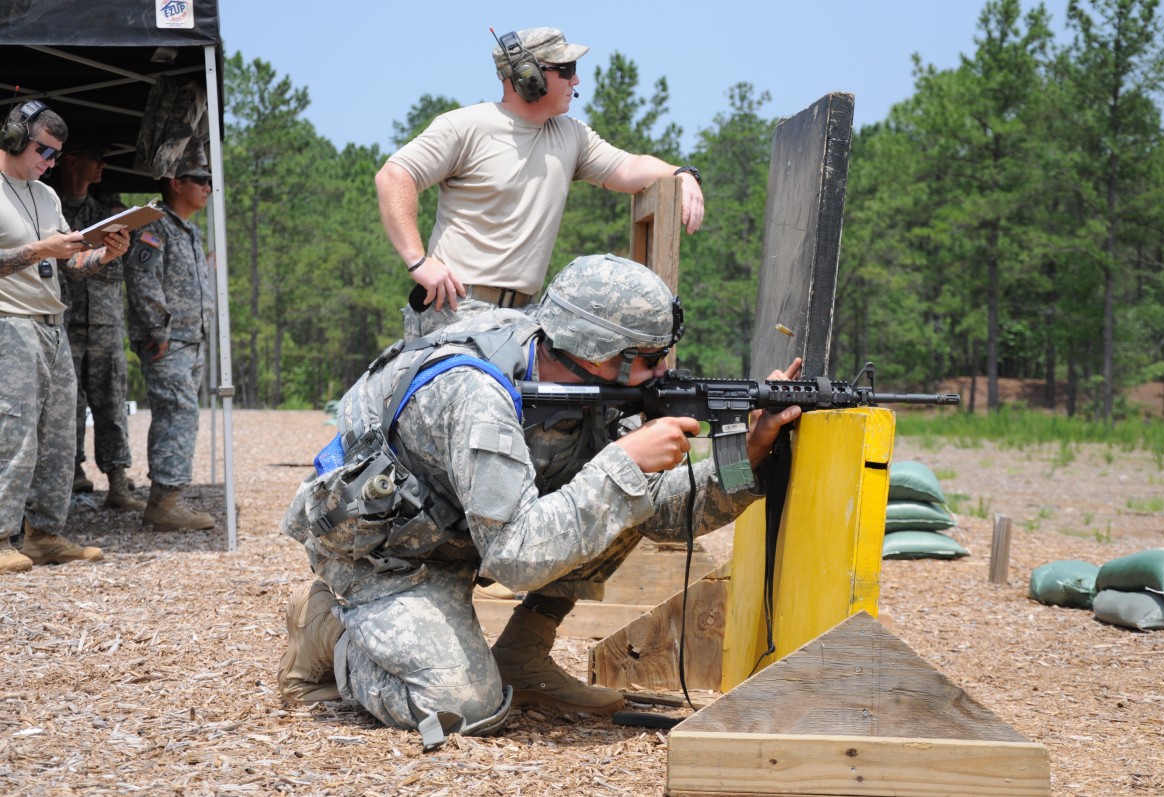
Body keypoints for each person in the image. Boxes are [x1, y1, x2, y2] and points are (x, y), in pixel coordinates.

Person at [276, 254, 801, 749]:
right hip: (385, 556)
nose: (664, 369)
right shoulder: (476, 393)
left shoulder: (591, 387)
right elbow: (516, 557)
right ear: (601, 355)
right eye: (651, 357)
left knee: (616, 505)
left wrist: (748, 456)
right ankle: (330, 627)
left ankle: (523, 655)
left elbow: (657, 513)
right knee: (462, 709)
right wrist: (623, 466)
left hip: (467, 538)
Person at [376, 26, 706, 340]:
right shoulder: (465, 127)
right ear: (528, 76)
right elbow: (394, 176)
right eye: (566, 68)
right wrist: (418, 262)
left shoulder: (571, 135)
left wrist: (682, 174)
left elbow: (630, 167)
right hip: (456, 310)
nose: (575, 79)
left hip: (526, 318)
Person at [0, 99, 132, 574]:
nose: (50, 163)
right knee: (12, 432)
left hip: (53, 326)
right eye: (44, 151)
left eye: (56, 155)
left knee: (60, 435)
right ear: (13, 137)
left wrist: (104, 255)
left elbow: (68, 266)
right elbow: (37, 254)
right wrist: (39, 249)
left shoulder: (48, 196)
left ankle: (44, 534)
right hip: (9, 322)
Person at [125, 160, 215, 531]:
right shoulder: (153, 224)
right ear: (176, 183)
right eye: (201, 180)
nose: (208, 187)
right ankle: (164, 503)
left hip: (191, 339)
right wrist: (156, 332)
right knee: (178, 414)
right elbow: (144, 282)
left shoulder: (188, 231)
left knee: (182, 416)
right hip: (169, 340)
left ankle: (168, 498)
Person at [56, 140, 143, 511]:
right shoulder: (50, 212)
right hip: (64, 323)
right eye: (96, 158)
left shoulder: (106, 216)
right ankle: (69, 476)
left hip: (105, 327)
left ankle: (119, 484)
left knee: (111, 406)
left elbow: (128, 269)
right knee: (63, 408)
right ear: (71, 161)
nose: (102, 166)